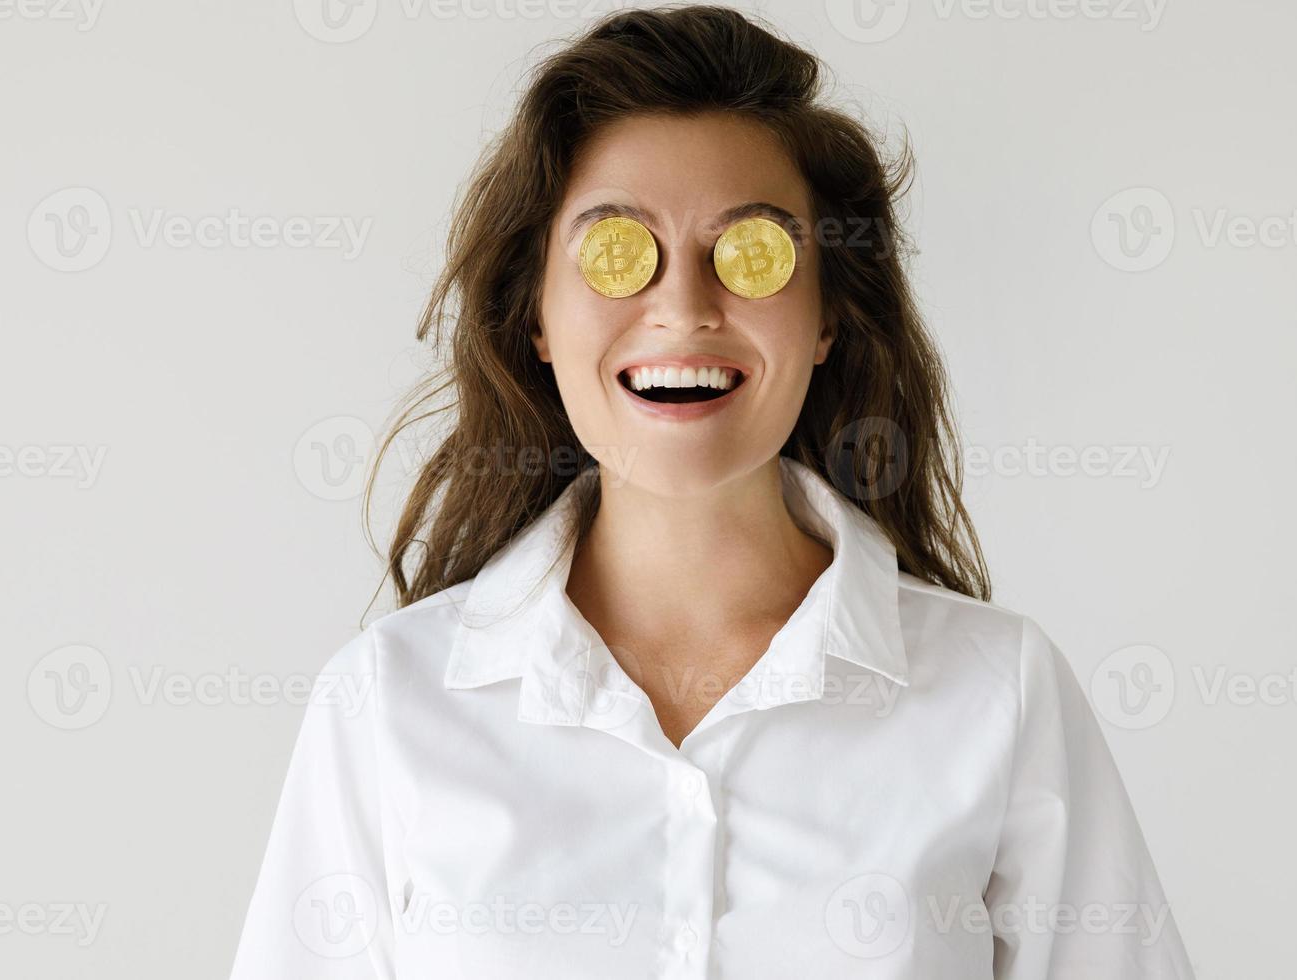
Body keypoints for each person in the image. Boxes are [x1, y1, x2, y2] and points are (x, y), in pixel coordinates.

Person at [229, 6, 1194, 978]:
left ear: (824, 317)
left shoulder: (1001, 694)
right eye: (618, 253)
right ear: (537, 318)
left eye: (751, 254)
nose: (684, 309)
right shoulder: (386, 704)